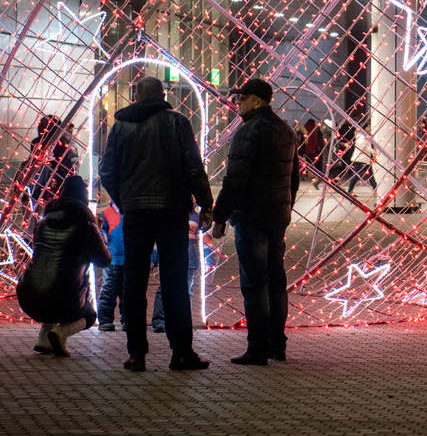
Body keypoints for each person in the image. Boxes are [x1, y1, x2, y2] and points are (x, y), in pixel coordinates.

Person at [101, 76, 214, 373]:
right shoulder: (177, 122)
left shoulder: (120, 126)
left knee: (134, 282)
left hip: (136, 212)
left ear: (135, 96)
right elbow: (193, 167)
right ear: (163, 95)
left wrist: (124, 201)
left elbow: (107, 171)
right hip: (172, 210)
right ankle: (181, 352)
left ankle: (137, 353)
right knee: (174, 281)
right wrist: (206, 203)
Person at [210, 78, 300, 365]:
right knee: (276, 281)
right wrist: (286, 207)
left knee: (254, 283)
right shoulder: (286, 130)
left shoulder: (248, 132)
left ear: (258, 100)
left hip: (251, 217)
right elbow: (294, 179)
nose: (238, 104)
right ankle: (277, 344)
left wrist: (220, 217)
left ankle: (258, 347)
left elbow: (235, 180)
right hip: (277, 217)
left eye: (242, 98)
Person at [18, 176, 111, 356]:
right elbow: (104, 260)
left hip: (29, 295)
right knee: (90, 314)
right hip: (64, 299)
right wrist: (99, 235)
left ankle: (43, 340)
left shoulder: (43, 222)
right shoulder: (85, 224)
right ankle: (61, 333)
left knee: (52, 286)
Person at [96, 192, 126, 332]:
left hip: (128, 258)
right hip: (113, 259)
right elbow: (102, 234)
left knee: (127, 291)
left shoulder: (131, 212)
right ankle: (106, 320)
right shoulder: (106, 213)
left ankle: (128, 320)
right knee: (109, 289)